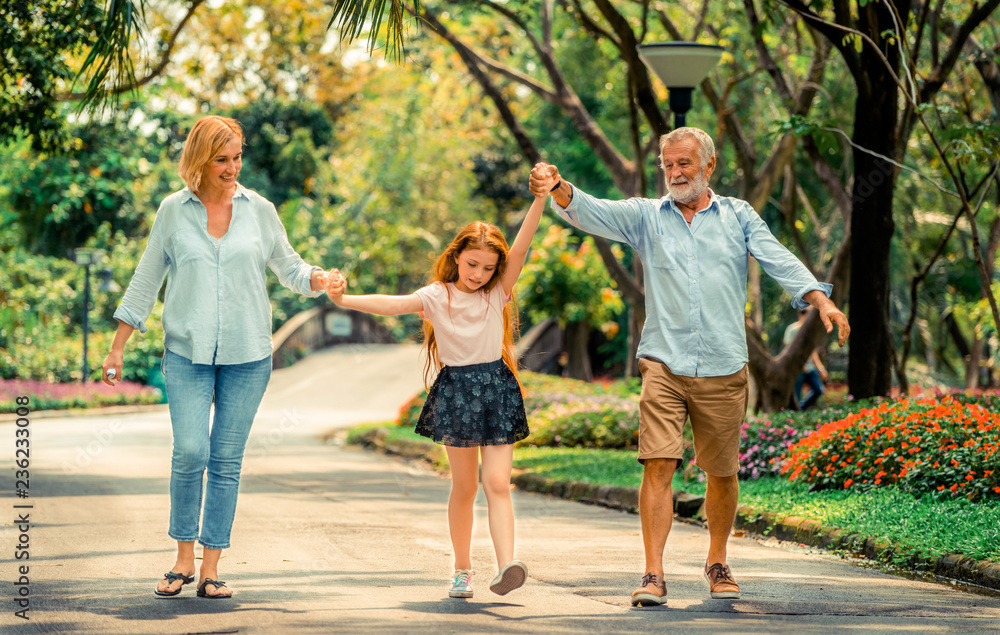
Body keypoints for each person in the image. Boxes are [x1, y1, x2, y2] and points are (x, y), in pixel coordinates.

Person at [528, 127, 850, 605]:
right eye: (668, 165)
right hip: (664, 360)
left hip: (724, 365)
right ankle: (653, 574)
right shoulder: (645, 217)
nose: (675, 173)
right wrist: (557, 186)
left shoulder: (739, 216)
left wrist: (820, 300)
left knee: (720, 472)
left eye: (684, 164)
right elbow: (592, 209)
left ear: (709, 166)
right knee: (658, 462)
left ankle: (717, 559)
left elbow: (778, 258)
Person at [100, 115, 339, 599]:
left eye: (237, 157)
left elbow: (289, 265)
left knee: (226, 459)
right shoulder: (173, 211)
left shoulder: (260, 210)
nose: (232, 168)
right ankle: (182, 557)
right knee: (191, 451)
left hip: (248, 353)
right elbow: (147, 278)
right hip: (186, 352)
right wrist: (118, 345)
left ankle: (211, 567)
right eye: (222, 159)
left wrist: (317, 278)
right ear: (201, 160)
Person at [323, 183, 549, 600]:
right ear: (456, 258)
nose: (479, 273)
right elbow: (391, 304)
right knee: (464, 487)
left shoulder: (497, 293)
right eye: (472, 264)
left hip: (496, 387)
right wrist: (344, 299)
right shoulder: (436, 295)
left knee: (497, 481)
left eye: (487, 267)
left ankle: (505, 567)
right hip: (457, 390)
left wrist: (540, 198)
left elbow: (521, 247)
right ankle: (462, 569)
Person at [783, 308, 829, 409]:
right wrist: (800, 365)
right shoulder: (792, 330)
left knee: (819, 390)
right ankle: (795, 413)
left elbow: (813, 353)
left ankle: (801, 408)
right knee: (797, 394)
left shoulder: (810, 331)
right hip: (797, 369)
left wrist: (821, 369)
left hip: (810, 368)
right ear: (800, 315)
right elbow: (788, 351)